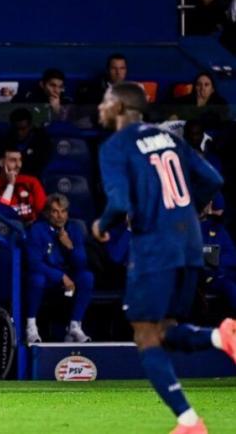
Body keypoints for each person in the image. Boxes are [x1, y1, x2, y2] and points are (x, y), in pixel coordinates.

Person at [92, 81, 234, 434]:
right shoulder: (170, 138)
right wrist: (184, 211)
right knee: (166, 331)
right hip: (189, 244)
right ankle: (222, 338)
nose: (100, 108)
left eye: (106, 102)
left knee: (145, 336)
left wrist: (102, 224)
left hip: (155, 247)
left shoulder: (116, 146)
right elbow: (213, 179)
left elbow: (120, 203)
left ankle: (189, 422)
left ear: (122, 108)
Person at [25, 194, 94, 343]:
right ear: (47, 213)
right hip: (48, 278)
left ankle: (75, 326)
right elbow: (34, 262)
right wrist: (60, 276)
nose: (60, 216)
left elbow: (82, 263)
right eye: (55, 211)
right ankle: (31, 326)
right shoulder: (37, 230)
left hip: (69, 280)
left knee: (87, 277)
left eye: (63, 211)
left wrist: (70, 247)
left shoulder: (74, 229)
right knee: (37, 279)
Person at [0, 148, 47, 225]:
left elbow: (42, 209)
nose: (18, 165)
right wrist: (10, 185)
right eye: (13, 160)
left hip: (33, 227)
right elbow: (0, 214)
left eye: (20, 160)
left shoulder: (32, 181)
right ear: (1, 162)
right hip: (6, 228)